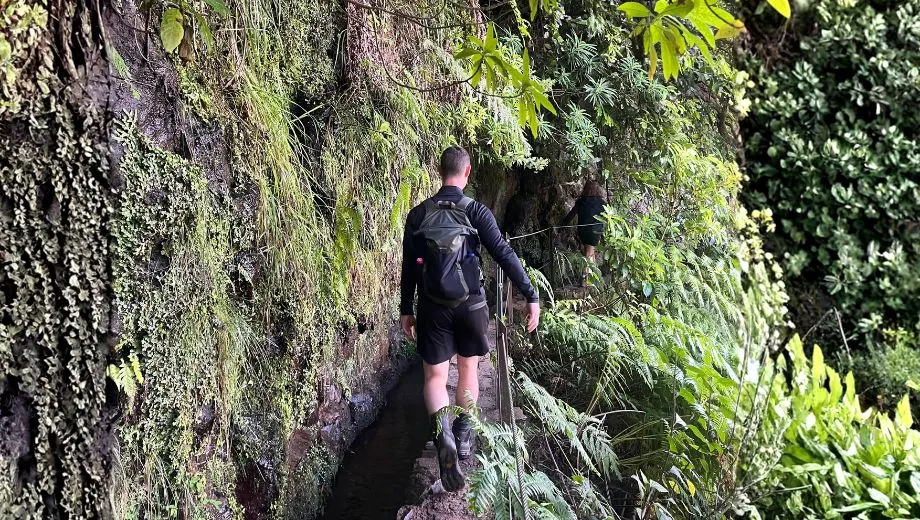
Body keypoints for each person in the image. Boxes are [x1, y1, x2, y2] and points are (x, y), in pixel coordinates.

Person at [399, 146, 541, 492]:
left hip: (432, 306)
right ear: (468, 172)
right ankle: (463, 439)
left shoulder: (418, 215)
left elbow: (409, 267)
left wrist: (407, 309)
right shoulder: (476, 211)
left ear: (439, 170)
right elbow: (503, 253)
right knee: (468, 370)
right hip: (472, 305)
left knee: (435, 377)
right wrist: (531, 295)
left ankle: (442, 432)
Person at [560, 180, 606, 280]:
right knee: (589, 252)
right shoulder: (602, 203)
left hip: (583, 230)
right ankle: (586, 277)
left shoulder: (581, 201)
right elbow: (607, 217)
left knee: (588, 251)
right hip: (596, 231)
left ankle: (592, 275)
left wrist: (562, 225)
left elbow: (571, 215)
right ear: (598, 190)